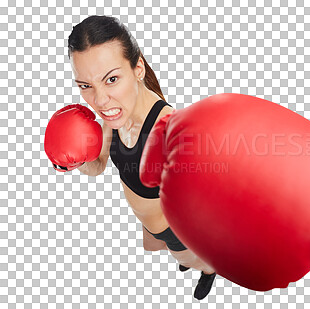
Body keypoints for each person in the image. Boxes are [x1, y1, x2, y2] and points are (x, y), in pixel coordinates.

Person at [67, 15, 217, 300]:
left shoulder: (171, 130)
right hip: (147, 221)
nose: (99, 101)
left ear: (138, 68)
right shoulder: (114, 117)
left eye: (111, 79)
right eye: (85, 85)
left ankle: (208, 268)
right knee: (153, 246)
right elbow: (98, 165)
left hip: (175, 228)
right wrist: (78, 161)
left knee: (187, 258)